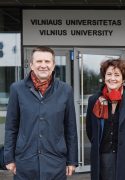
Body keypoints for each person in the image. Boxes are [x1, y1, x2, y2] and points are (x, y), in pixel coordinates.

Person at [4, 46, 78, 179]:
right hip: (25, 161)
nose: (43, 65)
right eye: (39, 61)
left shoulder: (65, 90)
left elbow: (70, 128)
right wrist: (9, 158)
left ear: (53, 65)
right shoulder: (17, 89)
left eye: (47, 61)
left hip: (56, 161)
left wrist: (72, 161)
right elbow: (11, 127)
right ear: (31, 65)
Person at [86, 59, 125, 180]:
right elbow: (90, 130)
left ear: (123, 79)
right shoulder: (94, 100)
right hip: (104, 156)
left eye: (117, 75)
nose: (112, 78)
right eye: (109, 74)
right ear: (104, 77)